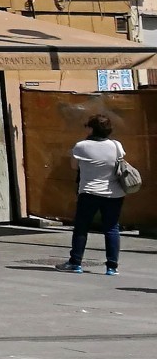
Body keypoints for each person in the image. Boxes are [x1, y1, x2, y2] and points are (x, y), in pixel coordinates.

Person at [61, 114, 131, 275]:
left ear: (92, 128)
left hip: (89, 192)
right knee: (112, 228)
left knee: (81, 227)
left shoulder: (81, 146)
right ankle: (112, 266)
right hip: (114, 193)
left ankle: (76, 263)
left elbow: (74, 166)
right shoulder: (116, 145)